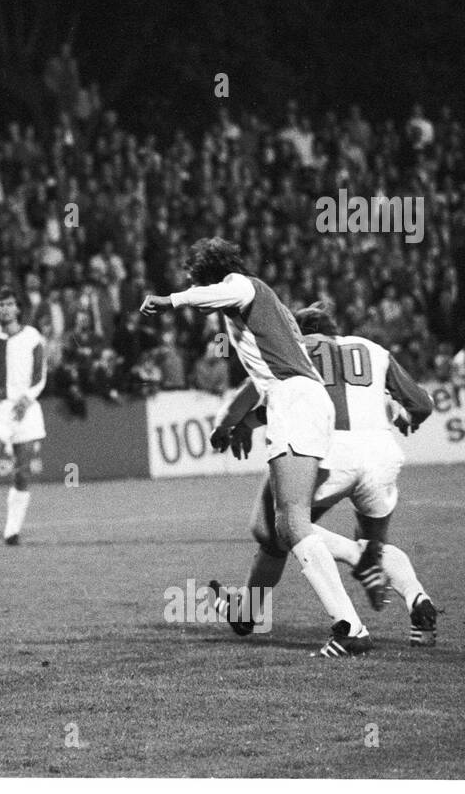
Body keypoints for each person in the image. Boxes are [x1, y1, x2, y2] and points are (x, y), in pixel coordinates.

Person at [141, 238, 371, 657]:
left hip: (296, 403)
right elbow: (271, 375)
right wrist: (245, 422)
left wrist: (172, 300)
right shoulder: (266, 317)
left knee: (293, 521)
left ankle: (351, 623)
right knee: (271, 530)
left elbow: (229, 293)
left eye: (195, 278)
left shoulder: (244, 286)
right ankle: (247, 612)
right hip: (293, 403)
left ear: (209, 275)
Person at [210, 303, 440, 646]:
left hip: (323, 451)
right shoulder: (374, 350)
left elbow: (258, 398)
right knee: (373, 542)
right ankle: (417, 601)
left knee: (276, 529)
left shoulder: (293, 351)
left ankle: (255, 611)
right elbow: (421, 404)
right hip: (381, 455)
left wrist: (232, 425)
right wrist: (409, 418)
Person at [0, 288, 47, 546]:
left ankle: (12, 531)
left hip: (26, 410)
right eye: (0, 304)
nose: (5, 309)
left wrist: (28, 398)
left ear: (17, 308)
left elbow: (40, 375)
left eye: (9, 304)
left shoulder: (32, 337)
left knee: (22, 473)